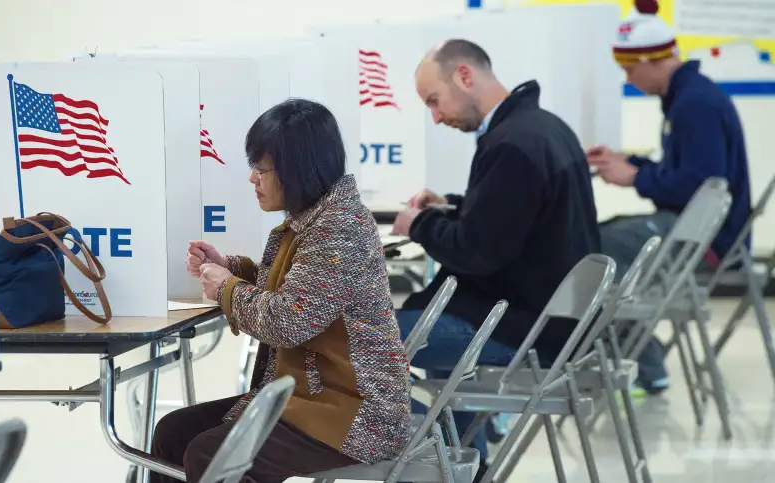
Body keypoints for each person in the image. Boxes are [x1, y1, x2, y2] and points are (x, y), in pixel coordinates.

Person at [151, 99, 412, 483]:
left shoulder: (338, 229)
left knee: (209, 454)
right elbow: (297, 292)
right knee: (174, 433)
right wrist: (232, 270)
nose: (252, 179)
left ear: (297, 170)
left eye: (261, 168)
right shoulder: (318, 217)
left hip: (356, 413)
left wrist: (226, 287)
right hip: (314, 398)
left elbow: (289, 321)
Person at [390, 39, 601, 480]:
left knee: (355, 346)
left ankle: (441, 460)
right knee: (419, 342)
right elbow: (518, 216)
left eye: (434, 101)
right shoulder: (542, 128)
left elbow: (478, 251)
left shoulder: (511, 144)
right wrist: (451, 205)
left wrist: (419, 226)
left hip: (519, 328)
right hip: (548, 318)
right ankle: (467, 462)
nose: (436, 116)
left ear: (464, 76)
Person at [586, 0, 752, 395]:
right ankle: (644, 354)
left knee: (594, 248)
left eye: (630, 69)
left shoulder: (694, 103)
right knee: (600, 239)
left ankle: (644, 362)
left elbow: (698, 185)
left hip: (710, 239)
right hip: (696, 228)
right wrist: (632, 163)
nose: (629, 78)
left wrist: (636, 178)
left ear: (652, 59)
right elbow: (686, 171)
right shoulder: (688, 96)